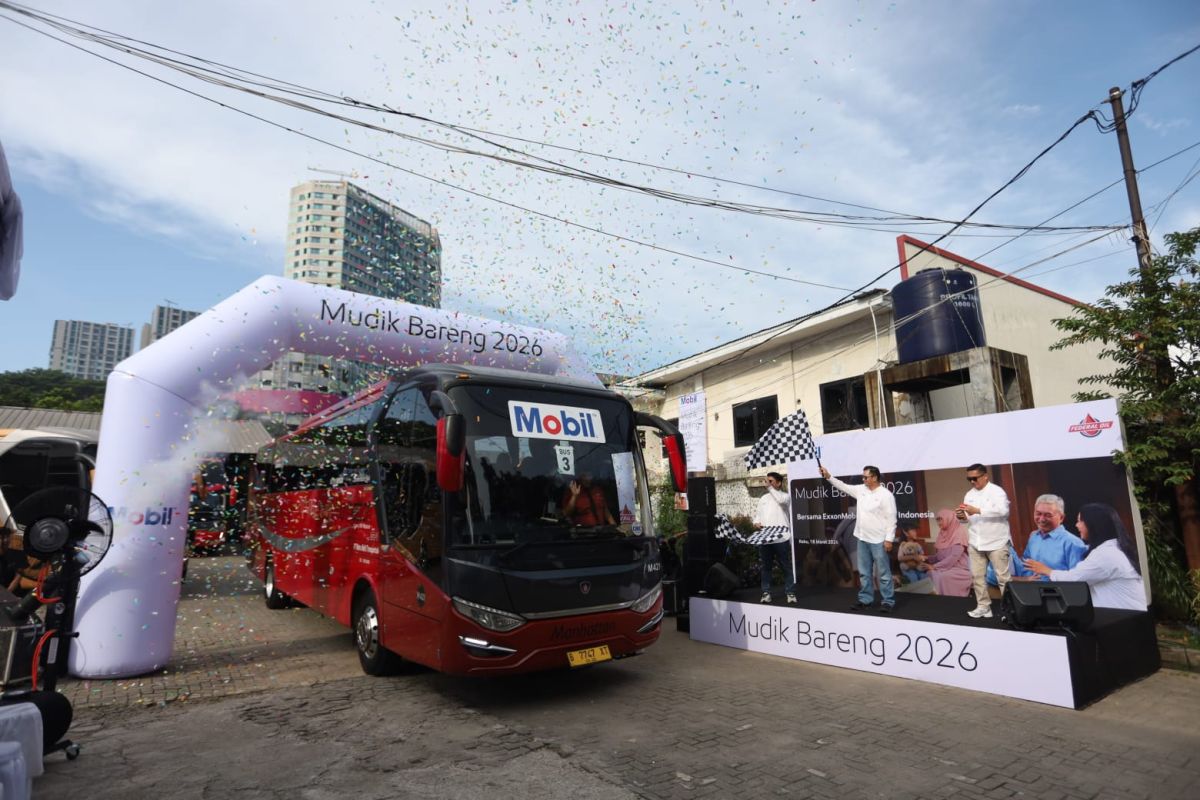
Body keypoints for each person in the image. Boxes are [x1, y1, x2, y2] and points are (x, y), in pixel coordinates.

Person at [1024, 503, 1147, 611]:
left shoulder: (1106, 555)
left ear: (1093, 524)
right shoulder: (1111, 548)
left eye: (1079, 521)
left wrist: (1047, 571)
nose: (1077, 525)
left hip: (1122, 617)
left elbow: (1075, 579)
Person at [820, 465, 898, 613]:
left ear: (875, 477)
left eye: (866, 477)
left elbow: (891, 519)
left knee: (883, 573)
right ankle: (865, 600)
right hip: (862, 538)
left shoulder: (886, 495)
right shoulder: (861, 490)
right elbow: (842, 486)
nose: (863, 479)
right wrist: (828, 476)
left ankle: (888, 601)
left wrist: (889, 539)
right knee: (864, 572)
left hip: (879, 540)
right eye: (863, 477)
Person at [988, 494, 1087, 585]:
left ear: (1061, 517)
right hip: (1031, 596)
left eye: (1048, 515)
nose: (1042, 519)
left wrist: (1048, 572)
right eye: (1038, 513)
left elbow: (1078, 579)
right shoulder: (1034, 537)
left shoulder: (1073, 543)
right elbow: (1025, 568)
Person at [959, 463, 1011, 619]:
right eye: (969, 479)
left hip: (997, 541)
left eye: (975, 478)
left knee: (1003, 579)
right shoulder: (969, 495)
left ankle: (1010, 610)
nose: (972, 482)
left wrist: (978, 510)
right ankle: (983, 607)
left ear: (985, 476)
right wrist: (962, 517)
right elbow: (967, 519)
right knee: (977, 577)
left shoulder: (997, 491)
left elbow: (1003, 511)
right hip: (976, 541)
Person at [753, 472, 796, 604]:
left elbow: (781, 501)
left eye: (771, 481)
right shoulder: (763, 498)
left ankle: (790, 593)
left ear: (779, 483)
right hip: (766, 538)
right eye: (767, 481)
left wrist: (770, 489)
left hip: (781, 538)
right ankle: (766, 593)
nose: (768, 483)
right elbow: (758, 515)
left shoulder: (785, 496)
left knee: (785, 566)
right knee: (766, 566)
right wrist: (756, 522)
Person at [922, 509, 973, 597]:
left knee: (943, 576)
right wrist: (927, 558)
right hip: (945, 566)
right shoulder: (943, 532)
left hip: (959, 567)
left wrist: (934, 566)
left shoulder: (959, 531)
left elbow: (953, 557)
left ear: (948, 518)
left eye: (940, 519)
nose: (938, 523)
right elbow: (940, 555)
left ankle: (949, 601)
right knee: (930, 573)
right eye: (937, 520)